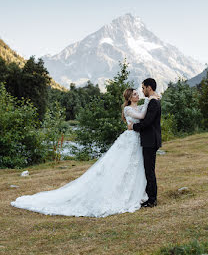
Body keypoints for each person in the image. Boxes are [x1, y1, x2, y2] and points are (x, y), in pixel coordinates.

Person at [11, 88, 156, 218]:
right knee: (122, 165)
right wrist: (150, 101)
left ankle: (136, 192)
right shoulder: (128, 109)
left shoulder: (138, 106)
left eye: (138, 93)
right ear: (130, 98)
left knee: (134, 167)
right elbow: (143, 116)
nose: (138, 95)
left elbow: (144, 112)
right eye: (135, 94)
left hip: (138, 140)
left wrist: (150, 101)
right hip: (130, 140)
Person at [128, 78, 161, 208]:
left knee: (149, 170)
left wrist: (133, 127)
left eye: (143, 88)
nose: (142, 91)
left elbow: (147, 122)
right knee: (148, 169)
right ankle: (150, 196)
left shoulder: (154, 102)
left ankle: (152, 199)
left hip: (150, 140)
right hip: (151, 139)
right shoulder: (155, 100)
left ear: (149, 88)